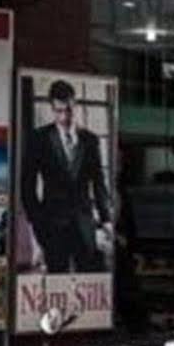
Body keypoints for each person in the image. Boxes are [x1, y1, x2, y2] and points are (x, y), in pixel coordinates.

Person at [21, 78, 112, 273]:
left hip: (84, 224)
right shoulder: (39, 139)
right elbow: (27, 186)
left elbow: (98, 183)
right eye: (59, 111)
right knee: (57, 281)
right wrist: (37, 225)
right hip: (52, 225)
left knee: (88, 280)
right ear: (52, 109)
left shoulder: (90, 140)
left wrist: (106, 220)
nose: (64, 117)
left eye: (69, 110)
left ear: (75, 105)